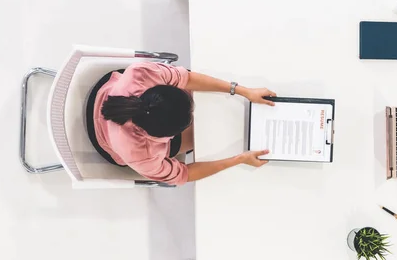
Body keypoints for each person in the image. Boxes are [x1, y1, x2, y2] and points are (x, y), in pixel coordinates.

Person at [90, 62, 276, 185]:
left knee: (198, 93)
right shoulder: (143, 156)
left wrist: (243, 91)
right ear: (164, 137)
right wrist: (239, 159)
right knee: (204, 139)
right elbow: (186, 174)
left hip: (107, 93)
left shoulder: (140, 74)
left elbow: (187, 78)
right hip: (107, 143)